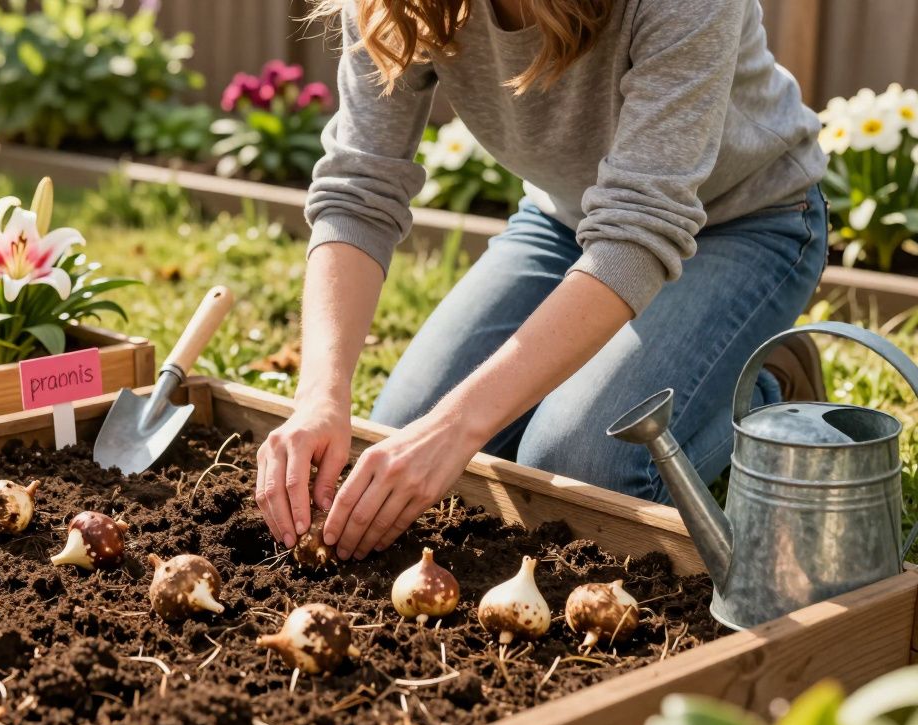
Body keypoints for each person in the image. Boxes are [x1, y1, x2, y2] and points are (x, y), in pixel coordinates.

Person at [255, 0, 829, 562]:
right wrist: (320, 394)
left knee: (580, 469)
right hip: (568, 221)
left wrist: (457, 426)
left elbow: (638, 232)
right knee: (399, 438)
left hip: (746, 222)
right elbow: (359, 189)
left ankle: (765, 385)